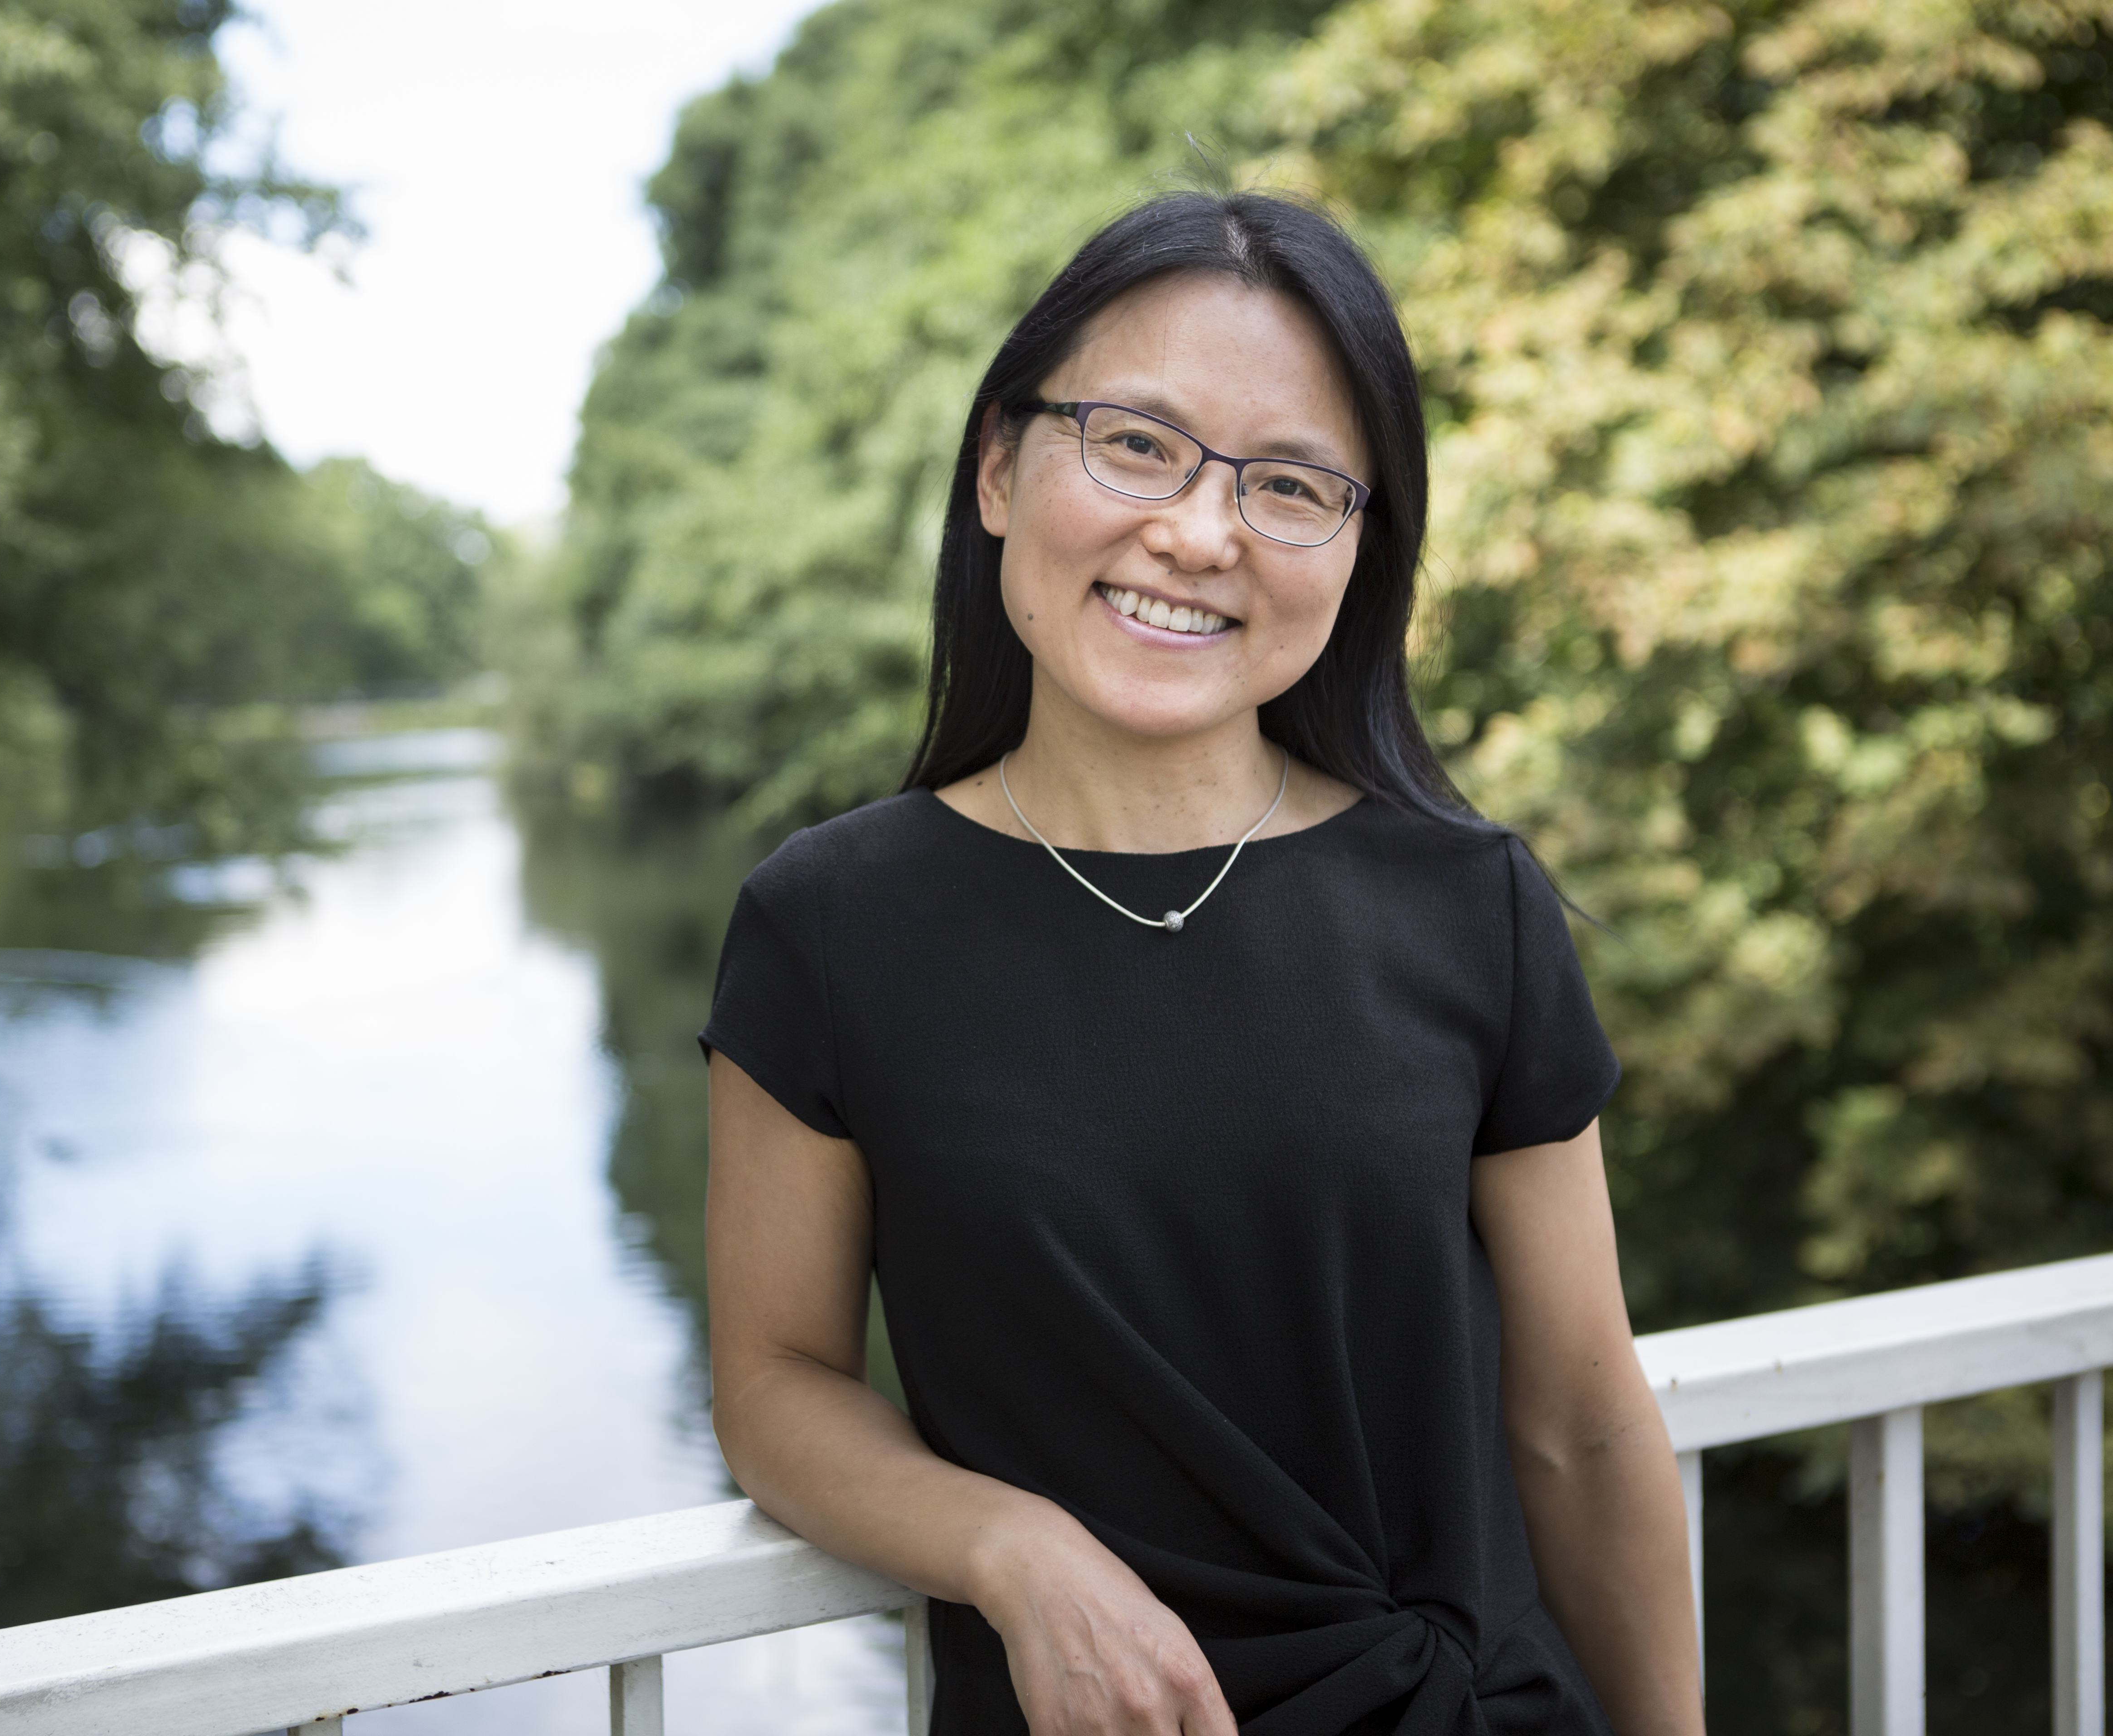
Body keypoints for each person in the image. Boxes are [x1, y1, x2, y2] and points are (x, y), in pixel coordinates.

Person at [698, 189, 1703, 1736]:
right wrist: (1011, 1546)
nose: (1199, 531)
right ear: (996, 470)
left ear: (1363, 550)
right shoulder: (830, 923)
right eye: (1137, 443)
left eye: (1294, 484)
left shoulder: (1471, 904)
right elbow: (775, 1386)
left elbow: (1579, 1423)